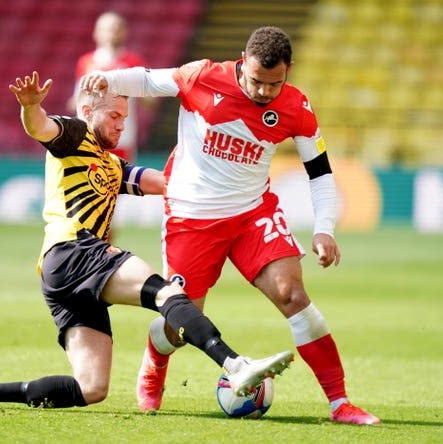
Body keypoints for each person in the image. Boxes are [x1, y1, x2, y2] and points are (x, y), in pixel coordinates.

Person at [0, 71, 292, 410]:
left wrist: (223, 176)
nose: (122, 125)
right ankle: (235, 364)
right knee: (168, 294)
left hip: (60, 275)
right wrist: (30, 107)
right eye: (116, 116)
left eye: (126, 118)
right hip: (75, 250)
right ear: (88, 111)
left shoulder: (111, 165)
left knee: (91, 389)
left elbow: (167, 184)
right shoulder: (74, 136)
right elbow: (41, 127)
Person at [79, 26, 381, 425]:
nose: (263, 92)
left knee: (292, 294)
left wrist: (324, 227)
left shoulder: (296, 106)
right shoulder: (204, 75)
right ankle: (155, 356)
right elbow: (150, 80)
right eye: (256, 81)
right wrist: (111, 80)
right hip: (191, 217)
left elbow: (321, 172)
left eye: (274, 83)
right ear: (243, 61)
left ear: (289, 70)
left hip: (252, 214)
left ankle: (340, 402)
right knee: (180, 325)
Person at [67, 11, 151, 163]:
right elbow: (75, 102)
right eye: (109, 28)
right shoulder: (86, 62)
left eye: (118, 27)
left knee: (121, 181)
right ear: (97, 33)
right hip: (90, 138)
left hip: (121, 138)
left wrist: (137, 91)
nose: (114, 32)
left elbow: (149, 101)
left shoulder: (133, 62)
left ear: (125, 32)